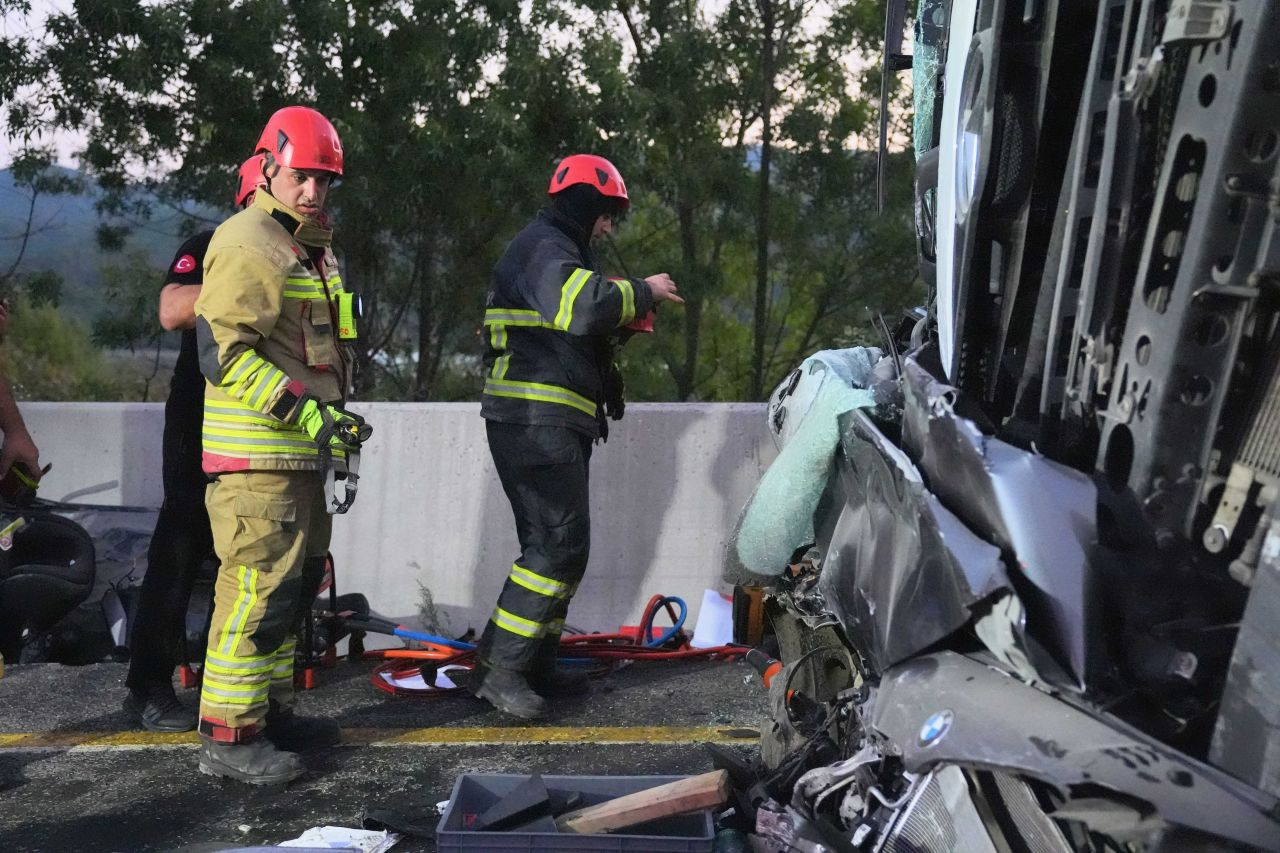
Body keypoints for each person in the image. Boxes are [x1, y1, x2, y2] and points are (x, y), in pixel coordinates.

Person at [472, 153, 684, 719]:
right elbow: (583, 307)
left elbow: (573, 317)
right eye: (608, 213)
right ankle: (506, 674)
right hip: (535, 423)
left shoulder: (554, 250)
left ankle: (520, 663)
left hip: (542, 422)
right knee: (556, 548)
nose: (610, 226)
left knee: (556, 548)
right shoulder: (546, 248)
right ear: (586, 204)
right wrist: (644, 290)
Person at [193, 105, 369, 784]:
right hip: (256, 462)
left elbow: (311, 353)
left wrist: (332, 422)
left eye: (326, 181)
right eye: (303, 177)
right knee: (255, 592)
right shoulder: (249, 239)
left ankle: (264, 712)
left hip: (294, 457)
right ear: (268, 168)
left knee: (288, 595)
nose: (314, 192)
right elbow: (224, 353)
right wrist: (308, 415)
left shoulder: (305, 247)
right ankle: (230, 737)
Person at [122, 156, 266, 732]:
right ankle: (148, 683)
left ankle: (227, 682)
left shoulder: (307, 257)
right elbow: (173, 309)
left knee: (253, 553)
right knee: (180, 545)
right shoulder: (212, 243)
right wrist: (242, 276)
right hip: (200, 415)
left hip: (268, 420)